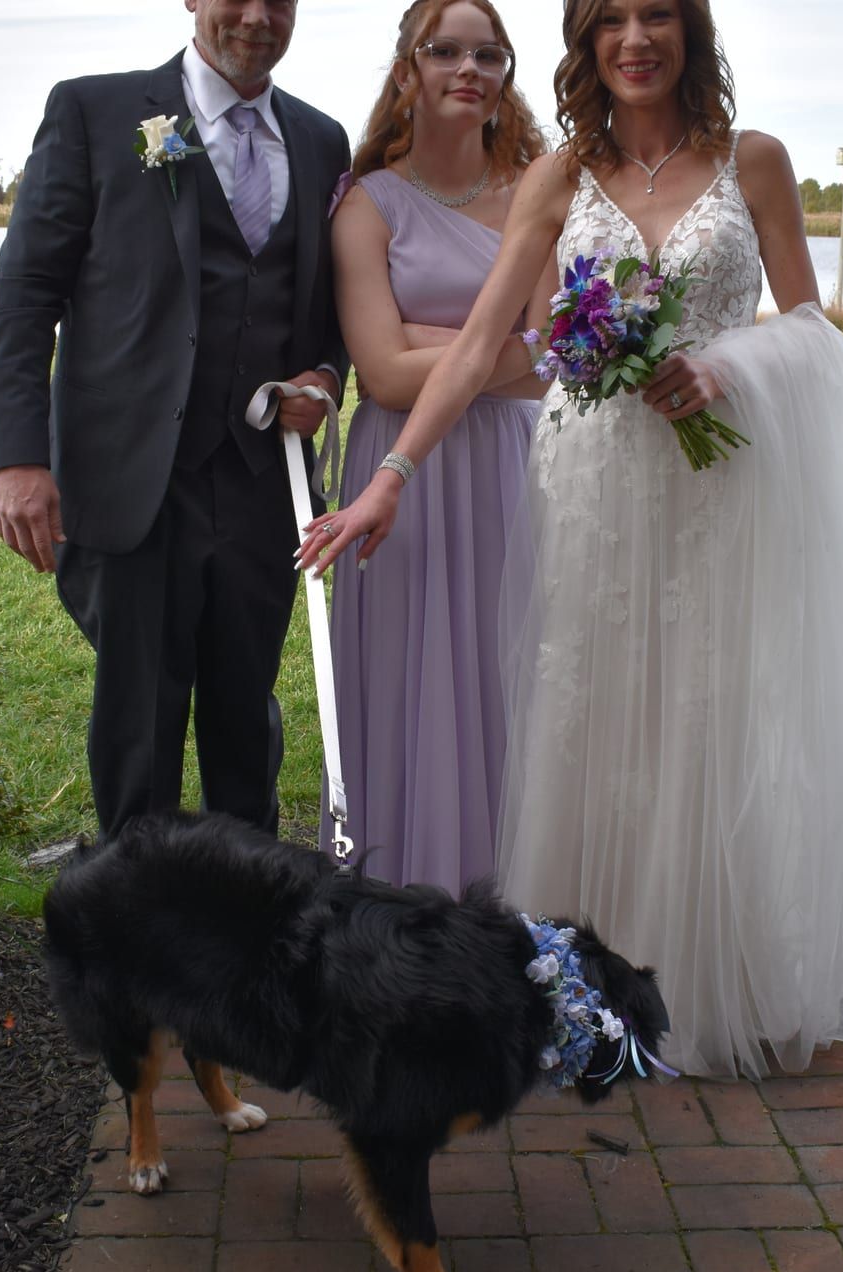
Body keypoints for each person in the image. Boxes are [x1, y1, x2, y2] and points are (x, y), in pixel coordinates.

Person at [299, 0, 843, 1079]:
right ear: (585, 44)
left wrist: (730, 365)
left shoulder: (755, 162)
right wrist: (391, 476)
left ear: (692, 35)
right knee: (588, 709)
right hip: (589, 486)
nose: (637, 38)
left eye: (658, 16)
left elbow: (813, 332)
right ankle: (589, 988)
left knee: (709, 709)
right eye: (612, 20)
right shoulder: (559, 175)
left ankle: (711, 979)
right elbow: (487, 336)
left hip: (717, 479)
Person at [0, 0, 350, 838]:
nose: (258, 16)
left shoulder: (323, 139)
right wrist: (16, 457)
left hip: (261, 488)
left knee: (246, 723)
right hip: (130, 478)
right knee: (138, 729)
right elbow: (24, 294)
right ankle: (131, 940)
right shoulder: (97, 112)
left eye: (280, 0)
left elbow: (328, 309)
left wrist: (324, 376)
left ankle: (246, 929)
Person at [323, 0, 552, 891]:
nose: (470, 68)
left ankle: (518, 905)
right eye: (446, 51)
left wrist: (434, 341)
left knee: (509, 675)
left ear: (505, 77)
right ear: (407, 71)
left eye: (489, 54)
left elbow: (549, 359)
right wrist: (493, 349)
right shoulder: (367, 203)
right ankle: (402, 905)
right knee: (409, 685)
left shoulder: (538, 191)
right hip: (403, 475)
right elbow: (378, 375)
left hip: (509, 464)